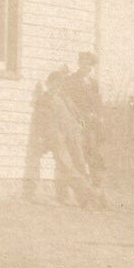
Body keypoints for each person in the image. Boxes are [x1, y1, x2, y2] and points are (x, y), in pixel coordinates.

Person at [24, 68, 102, 208]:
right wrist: (42, 138)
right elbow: (40, 121)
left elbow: (75, 114)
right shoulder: (43, 100)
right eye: (54, 84)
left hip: (67, 136)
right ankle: (89, 194)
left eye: (59, 84)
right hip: (51, 137)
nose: (57, 87)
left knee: (75, 164)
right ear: (48, 83)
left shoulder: (62, 99)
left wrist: (80, 125)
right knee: (64, 164)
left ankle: (85, 197)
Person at [64, 51, 104, 189]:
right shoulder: (71, 80)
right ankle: (77, 188)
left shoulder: (93, 82)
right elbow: (68, 101)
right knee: (77, 154)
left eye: (89, 64)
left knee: (94, 153)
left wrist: (98, 116)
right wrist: (80, 115)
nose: (86, 66)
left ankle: (95, 186)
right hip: (77, 122)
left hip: (91, 125)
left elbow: (98, 103)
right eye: (83, 62)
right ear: (79, 63)